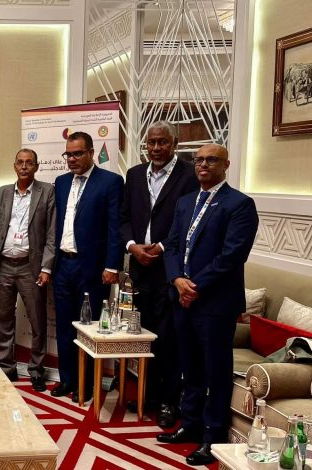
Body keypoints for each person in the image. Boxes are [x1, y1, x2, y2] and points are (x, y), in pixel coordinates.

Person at [157, 144, 258, 466]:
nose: (203, 165)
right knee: (189, 367)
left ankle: (213, 436)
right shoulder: (186, 202)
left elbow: (232, 255)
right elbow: (172, 244)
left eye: (211, 160)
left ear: (226, 164)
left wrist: (194, 286)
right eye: (198, 160)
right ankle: (190, 424)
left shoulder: (239, 204)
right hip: (182, 299)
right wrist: (177, 280)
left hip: (214, 303)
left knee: (216, 371)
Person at [119, 121, 198, 426]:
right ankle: (148, 395)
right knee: (144, 336)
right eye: (151, 142)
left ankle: (169, 401)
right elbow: (124, 217)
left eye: (162, 142)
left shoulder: (190, 175)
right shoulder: (134, 174)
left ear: (174, 144)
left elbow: (189, 221)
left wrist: (162, 247)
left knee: (168, 338)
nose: (155, 148)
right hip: (140, 268)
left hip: (170, 270)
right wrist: (131, 246)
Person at [51, 131, 123, 403]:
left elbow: (115, 227)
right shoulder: (61, 183)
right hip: (63, 265)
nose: (72, 159)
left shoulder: (110, 182)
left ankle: (88, 383)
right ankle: (67, 380)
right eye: (68, 154)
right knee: (64, 326)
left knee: (90, 327)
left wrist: (112, 265)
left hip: (92, 267)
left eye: (77, 153)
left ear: (92, 153)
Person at [0, 149, 55, 391]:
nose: (24, 166)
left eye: (29, 163)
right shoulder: (2, 193)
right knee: (3, 319)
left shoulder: (47, 191)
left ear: (36, 167)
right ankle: (7, 367)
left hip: (30, 267)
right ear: (14, 166)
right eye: (20, 163)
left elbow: (51, 233)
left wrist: (46, 267)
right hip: (4, 265)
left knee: (37, 320)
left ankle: (36, 370)